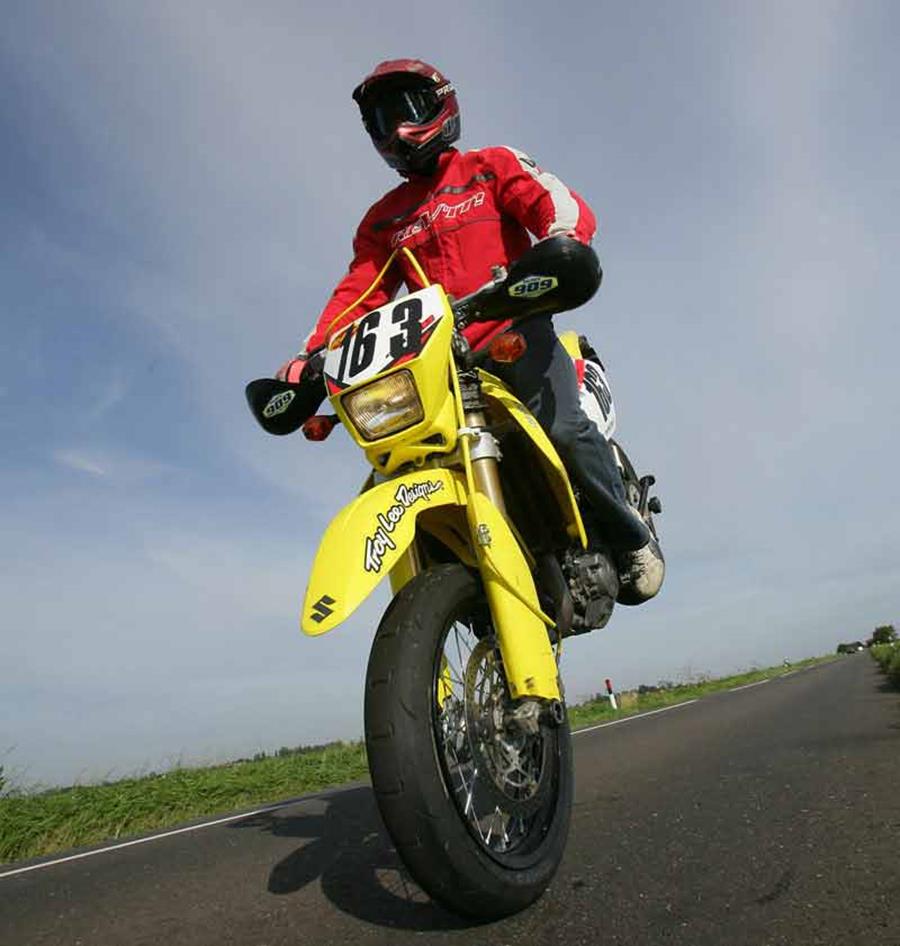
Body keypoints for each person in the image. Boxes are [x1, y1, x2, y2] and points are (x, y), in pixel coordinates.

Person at [277, 58, 663, 602]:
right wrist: (312, 354)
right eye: (380, 122)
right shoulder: (383, 220)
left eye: (406, 110)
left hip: (515, 334)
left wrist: (563, 237)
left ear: (442, 105)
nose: (394, 130)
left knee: (563, 431)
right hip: (436, 365)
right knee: (406, 455)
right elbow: (360, 288)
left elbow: (553, 202)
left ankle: (630, 535)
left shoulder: (490, 166)